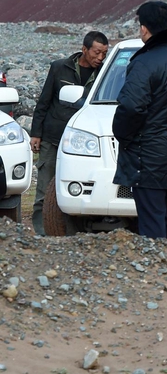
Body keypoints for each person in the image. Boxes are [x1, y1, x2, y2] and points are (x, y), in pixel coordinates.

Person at [113, 1, 167, 239]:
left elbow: (131, 106)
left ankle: (156, 273)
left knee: (152, 223)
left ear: (144, 29)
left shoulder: (144, 62)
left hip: (148, 158)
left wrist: (122, 135)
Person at [30, 31, 109, 235]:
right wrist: (36, 133)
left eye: (104, 53)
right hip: (54, 137)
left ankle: (77, 234)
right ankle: (42, 233)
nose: (100, 58)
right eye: (97, 52)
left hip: (85, 143)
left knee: (80, 187)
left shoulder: (105, 72)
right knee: (44, 190)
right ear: (84, 49)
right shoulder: (59, 68)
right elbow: (44, 101)